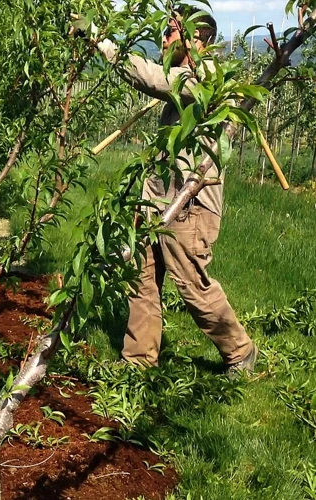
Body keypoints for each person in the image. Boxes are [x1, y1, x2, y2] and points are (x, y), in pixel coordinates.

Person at [95, 6, 258, 375]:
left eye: (170, 32)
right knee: (142, 279)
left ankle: (240, 351)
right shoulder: (183, 76)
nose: (163, 39)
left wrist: (102, 42)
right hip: (159, 201)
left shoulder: (208, 80)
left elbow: (149, 77)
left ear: (195, 40)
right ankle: (138, 361)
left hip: (191, 204)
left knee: (192, 286)